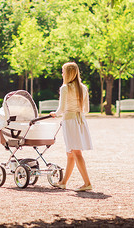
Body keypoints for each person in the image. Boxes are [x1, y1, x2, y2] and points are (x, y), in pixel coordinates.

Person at [50, 62, 93, 191]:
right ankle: (63, 182)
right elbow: (86, 109)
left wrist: (55, 114)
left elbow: (62, 108)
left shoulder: (65, 88)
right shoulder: (83, 88)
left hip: (70, 122)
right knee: (70, 153)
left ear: (67, 73)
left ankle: (87, 183)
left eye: (63, 71)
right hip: (80, 121)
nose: (62, 74)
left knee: (76, 152)